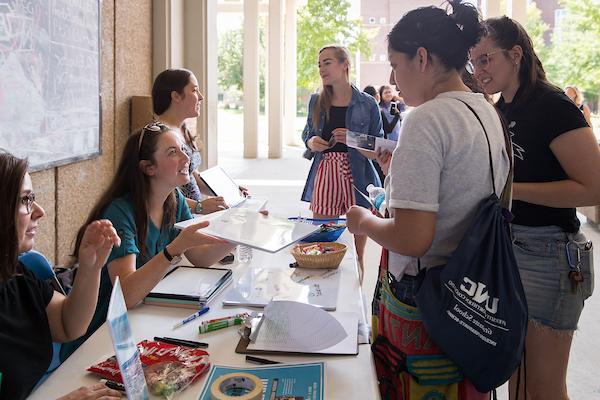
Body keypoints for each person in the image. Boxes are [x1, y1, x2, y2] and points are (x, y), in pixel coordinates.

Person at [346, 1, 508, 398]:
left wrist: (363, 221)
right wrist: (394, 175)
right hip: (471, 294)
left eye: (394, 63)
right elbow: (460, 192)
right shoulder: (485, 111)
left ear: (421, 58)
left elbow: (413, 238)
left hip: (426, 300)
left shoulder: (425, 119)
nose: (392, 77)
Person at [471, 16, 600, 400]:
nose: (478, 70)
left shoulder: (552, 105)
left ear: (516, 55)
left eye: (485, 59)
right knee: (521, 380)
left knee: (541, 385)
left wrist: (513, 190)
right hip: (513, 249)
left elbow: (593, 186)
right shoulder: (505, 108)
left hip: (549, 255)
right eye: (473, 61)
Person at [60, 123, 235, 360]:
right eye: (173, 152)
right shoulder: (120, 213)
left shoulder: (174, 200)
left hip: (141, 323)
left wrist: (241, 231)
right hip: (100, 336)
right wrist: (174, 249)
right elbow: (128, 295)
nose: (186, 156)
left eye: (183, 148)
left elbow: (200, 257)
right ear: (148, 167)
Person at [0, 151, 122, 400]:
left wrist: (91, 267)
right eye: (25, 200)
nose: (40, 211)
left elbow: (69, 326)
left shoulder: (15, 273)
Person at [301, 45, 383, 267]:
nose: (321, 69)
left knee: (357, 255)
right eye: (319, 64)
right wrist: (311, 143)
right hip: (326, 171)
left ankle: (354, 295)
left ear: (345, 64)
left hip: (358, 175)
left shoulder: (368, 103)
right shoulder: (316, 101)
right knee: (321, 244)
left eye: (327, 63)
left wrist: (353, 138)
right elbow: (307, 134)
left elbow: (379, 148)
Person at [152, 68, 236, 215]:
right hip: (175, 220)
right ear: (176, 96)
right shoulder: (160, 136)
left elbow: (192, 176)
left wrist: (229, 193)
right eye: (195, 90)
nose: (201, 97)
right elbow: (157, 190)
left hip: (193, 216)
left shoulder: (184, 129)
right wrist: (199, 206)